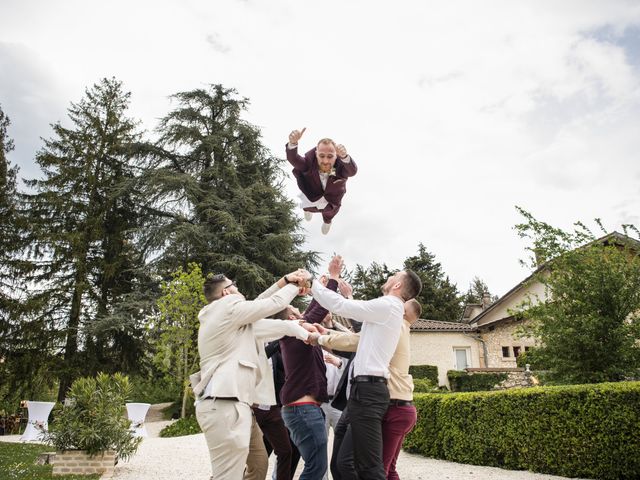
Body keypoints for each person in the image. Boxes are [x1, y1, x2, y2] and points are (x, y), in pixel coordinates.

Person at [309, 256, 422, 480]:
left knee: (369, 467)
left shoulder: (390, 305)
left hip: (370, 391)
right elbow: (358, 339)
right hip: (364, 390)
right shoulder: (387, 311)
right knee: (348, 463)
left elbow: (343, 307)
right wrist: (323, 336)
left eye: (394, 276)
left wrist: (312, 282)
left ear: (398, 285)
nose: (389, 277)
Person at [192, 270, 310, 480]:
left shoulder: (230, 318)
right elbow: (270, 304)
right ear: (227, 293)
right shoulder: (228, 307)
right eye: (234, 284)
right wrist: (297, 285)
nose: (239, 288)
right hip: (225, 404)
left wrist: (284, 282)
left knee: (256, 464)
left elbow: (265, 311)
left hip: (232, 404)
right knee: (228, 475)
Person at [279, 276, 339, 480]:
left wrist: (318, 287)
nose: (302, 315)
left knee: (315, 466)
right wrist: (333, 279)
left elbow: (313, 311)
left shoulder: (297, 335)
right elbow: (317, 310)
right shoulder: (292, 334)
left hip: (304, 409)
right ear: (291, 320)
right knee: (316, 468)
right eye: (298, 314)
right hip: (303, 410)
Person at [286, 128, 358, 235]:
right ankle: (307, 210)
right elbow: (294, 159)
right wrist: (293, 143)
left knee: (329, 213)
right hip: (312, 195)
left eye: (330, 156)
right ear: (316, 153)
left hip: (332, 199)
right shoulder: (309, 163)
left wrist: (344, 156)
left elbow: (352, 172)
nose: (325, 161)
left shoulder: (340, 167)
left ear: (336, 155)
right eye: (321, 156)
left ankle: (327, 221)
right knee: (307, 206)